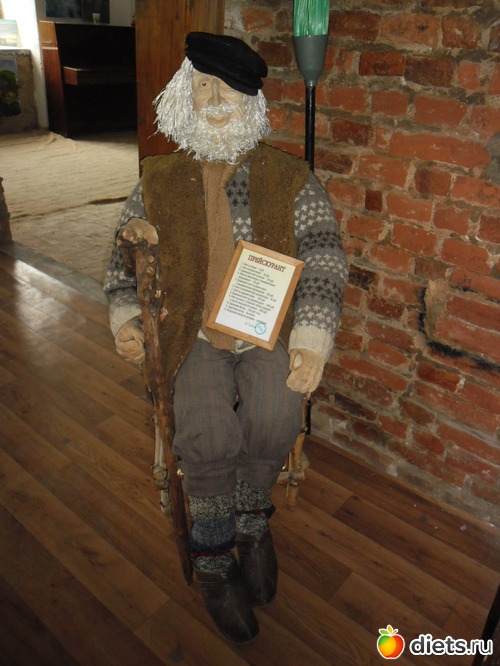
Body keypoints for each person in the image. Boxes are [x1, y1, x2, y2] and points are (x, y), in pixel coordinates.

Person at [104, 32, 348, 644]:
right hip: (189, 329)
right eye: (202, 87)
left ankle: (251, 521)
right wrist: (127, 318)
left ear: (251, 101)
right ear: (183, 96)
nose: (213, 100)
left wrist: (311, 337)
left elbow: (324, 253)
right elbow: (122, 254)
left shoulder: (288, 178)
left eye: (228, 90)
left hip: (264, 327)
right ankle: (213, 558)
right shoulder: (158, 179)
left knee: (276, 411)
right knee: (206, 428)